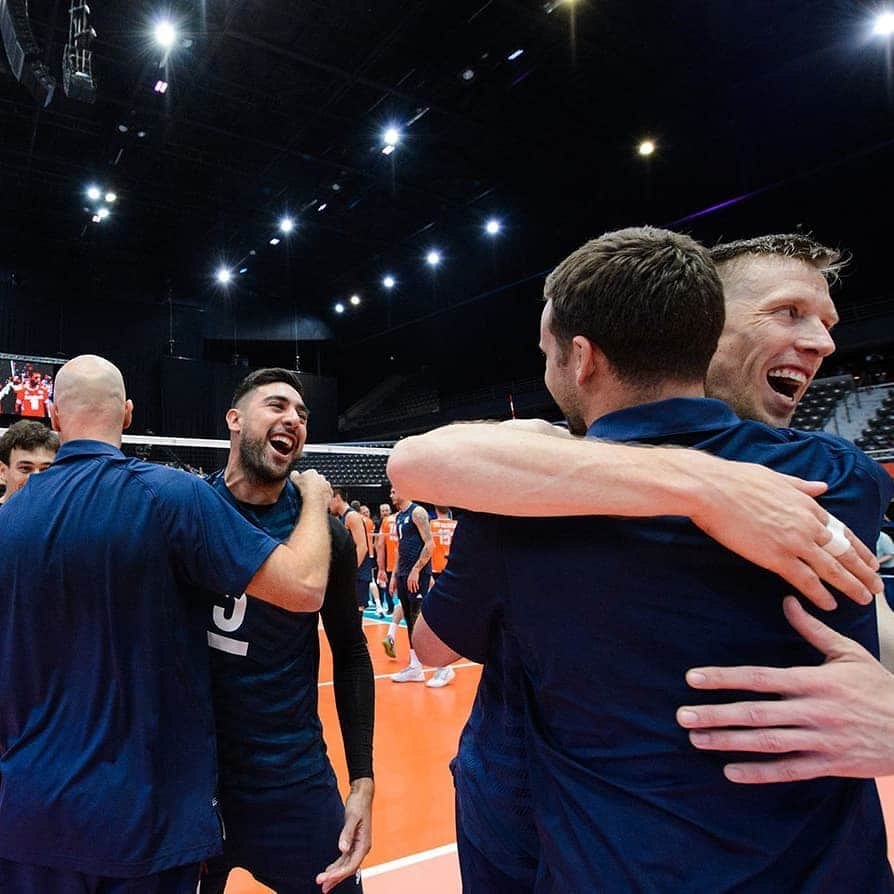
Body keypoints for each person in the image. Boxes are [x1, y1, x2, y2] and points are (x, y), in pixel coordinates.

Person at [394, 230, 891, 891]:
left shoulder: (527, 496)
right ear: (706, 327)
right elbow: (423, 461)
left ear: (582, 357)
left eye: (827, 322)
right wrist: (700, 482)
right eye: (789, 312)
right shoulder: (842, 477)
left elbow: (425, 479)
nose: (825, 343)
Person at [0, 354, 334, 893]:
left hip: (29, 816)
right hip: (143, 818)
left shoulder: (7, 522)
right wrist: (317, 500)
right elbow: (304, 587)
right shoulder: (172, 496)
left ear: (56, 420)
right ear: (128, 414)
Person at [201, 368, 373, 894]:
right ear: (234, 419)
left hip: (291, 781)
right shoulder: (190, 513)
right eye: (276, 406)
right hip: (198, 786)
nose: (293, 419)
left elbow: (351, 653)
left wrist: (362, 780)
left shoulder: (327, 536)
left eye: (302, 414)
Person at [388, 483, 434, 683]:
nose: (390, 495)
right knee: (409, 620)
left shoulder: (418, 512)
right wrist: (394, 576)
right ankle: (415, 667)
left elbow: (430, 543)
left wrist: (416, 570)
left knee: (420, 620)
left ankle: (442, 667)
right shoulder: (399, 517)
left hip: (417, 575)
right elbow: (400, 548)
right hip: (404, 575)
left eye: (393, 491)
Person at [426, 506, 458, 688]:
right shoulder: (457, 525)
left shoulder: (431, 525)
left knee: (440, 620)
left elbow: (429, 548)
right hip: (453, 573)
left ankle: (444, 667)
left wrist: (428, 573)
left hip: (438, 573)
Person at [330, 487, 373, 613]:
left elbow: (362, 546)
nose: (328, 504)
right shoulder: (342, 517)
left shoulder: (352, 516)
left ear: (337, 498)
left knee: (356, 612)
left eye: (329, 500)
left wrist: (351, 570)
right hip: (353, 573)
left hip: (358, 573)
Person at [0, 419, 59, 503]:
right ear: (3, 471)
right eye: (25, 468)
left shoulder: (67, 513)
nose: (36, 477)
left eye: (45, 469)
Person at [376, 501, 397, 616]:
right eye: (382, 510)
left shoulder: (387, 522)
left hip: (392, 560)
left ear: (390, 511)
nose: (384, 512)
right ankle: (391, 607)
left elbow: (379, 544)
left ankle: (392, 607)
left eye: (386, 510)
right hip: (390, 559)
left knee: (389, 586)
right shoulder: (381, 522)